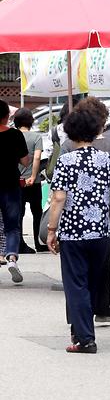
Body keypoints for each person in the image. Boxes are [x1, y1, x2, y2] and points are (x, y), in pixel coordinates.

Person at [45, 102, 110, 354]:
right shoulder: (106, 159)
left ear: (71, 130)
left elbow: (58, 198)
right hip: (101, 230)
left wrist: (52, 229)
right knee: (91, 283)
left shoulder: (65, 161)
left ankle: (86, 339)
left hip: (74, 231)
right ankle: (79, 334)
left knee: (76, 284)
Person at [59, 98, 110, 323]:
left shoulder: (67, 148)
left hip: (73, 219)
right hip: (105, 212)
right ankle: (102, 309)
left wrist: (53, 227)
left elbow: (59, 191)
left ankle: (77, 318)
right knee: (102, 265)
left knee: (75, 274)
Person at [0, 100, 30, 283]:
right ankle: (11, 257)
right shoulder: (15, 135)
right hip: (10, 184)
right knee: (12, 226)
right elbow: (25, 161)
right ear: (7, 116)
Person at [13, 108, 47, 254]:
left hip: (16, 181)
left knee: (18, 213)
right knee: (37, 212)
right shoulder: (36, 137)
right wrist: (33, 176)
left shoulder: (12, 136)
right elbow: (37, 157)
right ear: (31, 121)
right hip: (34, 182)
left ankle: (19, 244)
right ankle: (38, 244)